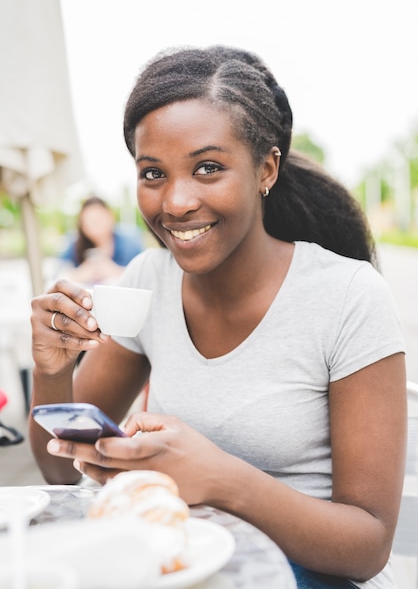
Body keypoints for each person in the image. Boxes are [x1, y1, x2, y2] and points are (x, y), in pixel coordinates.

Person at [29, 46, 406, 589]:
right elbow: (60, 469)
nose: (176, 202)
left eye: (208, 168)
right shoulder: (148, 281)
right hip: (189, 565)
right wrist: (52, 370)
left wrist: (217, 479)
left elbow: (367, 546)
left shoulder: (347, 296)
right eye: (152, 173)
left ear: (265, 169)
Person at [59, 196, 144, 285]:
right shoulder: (75, 245)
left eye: (99, 218)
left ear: (110, 217)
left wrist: (114, 271)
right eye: (90, 220)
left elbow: (143, 276)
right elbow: (58, 273)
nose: (96, 224)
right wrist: (80, 274)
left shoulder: (129, 244)